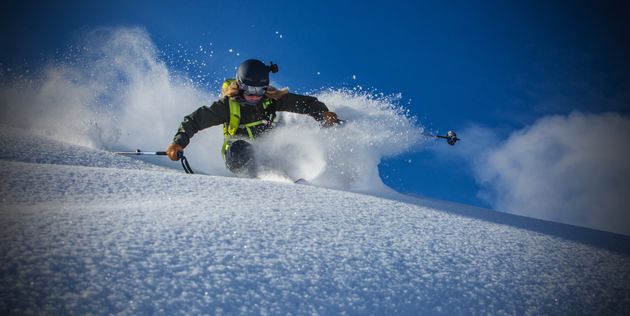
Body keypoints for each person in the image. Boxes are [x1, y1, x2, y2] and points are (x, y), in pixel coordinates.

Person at [166, 59, 339, 176]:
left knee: (289, 141)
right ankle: (260, 183)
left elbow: (305, 104)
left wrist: (322, 113)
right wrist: (178, 143)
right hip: (237, 155)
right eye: (249, 91)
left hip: (268, 152)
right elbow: (195, 120)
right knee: (242, 149)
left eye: (259, 91)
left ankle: (297, 178)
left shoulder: (270, 99)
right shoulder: (227, 105)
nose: (255, 96)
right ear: (240, 87)